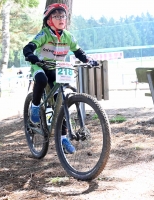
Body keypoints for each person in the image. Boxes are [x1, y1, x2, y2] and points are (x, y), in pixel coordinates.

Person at [22, 3, 99, 154]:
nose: (61, 18)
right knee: (42, 80)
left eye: (62, 16)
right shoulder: (44, 34)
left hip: (58, 70)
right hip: (41, 66)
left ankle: (63, 138)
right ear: (49, 20)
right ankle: (35, 107)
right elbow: (28, 47)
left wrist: (88, 60)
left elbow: (79, 52)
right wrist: (31, 56)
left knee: (61, 103)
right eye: (56, 16)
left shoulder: (68, 36)